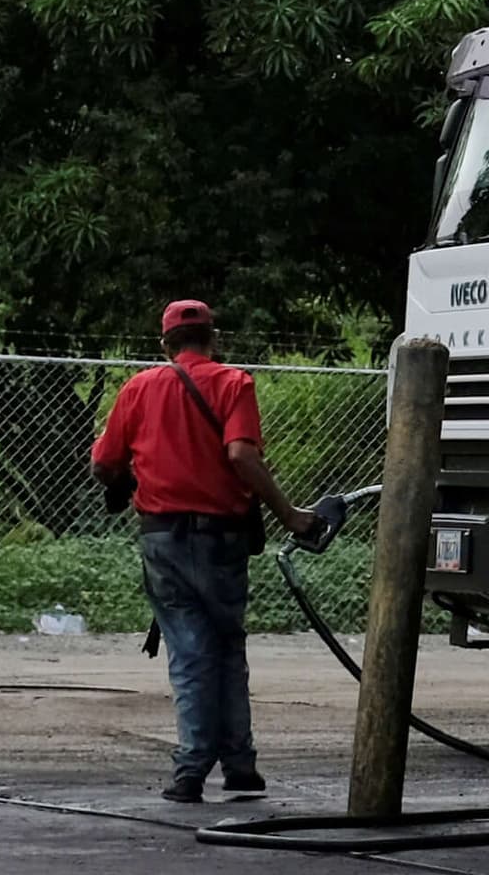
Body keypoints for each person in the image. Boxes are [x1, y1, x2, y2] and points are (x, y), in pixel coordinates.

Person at [90, 299, 325, 803]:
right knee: (226, 647)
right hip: (222, 539)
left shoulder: (139, 388)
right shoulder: (233, 383)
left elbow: (104, 462)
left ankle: (192, 771)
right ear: (212, 338)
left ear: (166, 345)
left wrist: (127, 479)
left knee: (190, 652)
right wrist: (290, 514)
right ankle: (240, 765)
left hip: (163, 539)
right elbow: (240, 454)